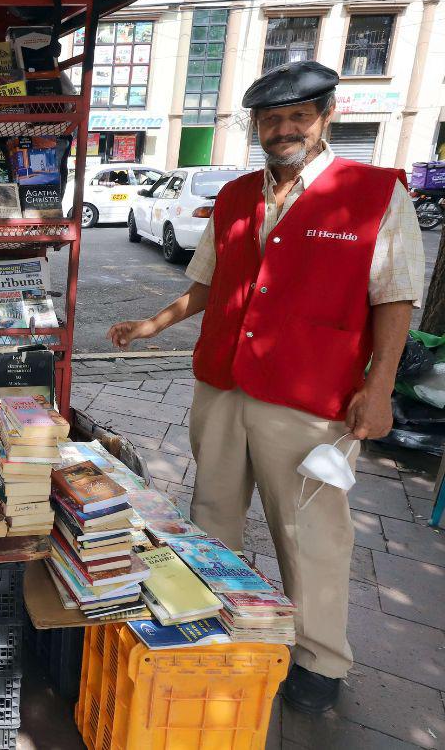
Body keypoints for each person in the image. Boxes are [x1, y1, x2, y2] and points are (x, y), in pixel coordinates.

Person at [108, 61, 423, 715]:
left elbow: (394, 297)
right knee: (211, 515)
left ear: (326, 116)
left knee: (310, 531)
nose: (284, 129)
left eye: (298, 117)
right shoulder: (232, 197)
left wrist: (381, 386)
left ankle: (318, 660)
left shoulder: (373, 194)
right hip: (222, 384)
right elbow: (207, 283)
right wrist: (151, 323)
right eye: (271, 119)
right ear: (255, 125)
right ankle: (216, 624)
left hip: (313, 398)